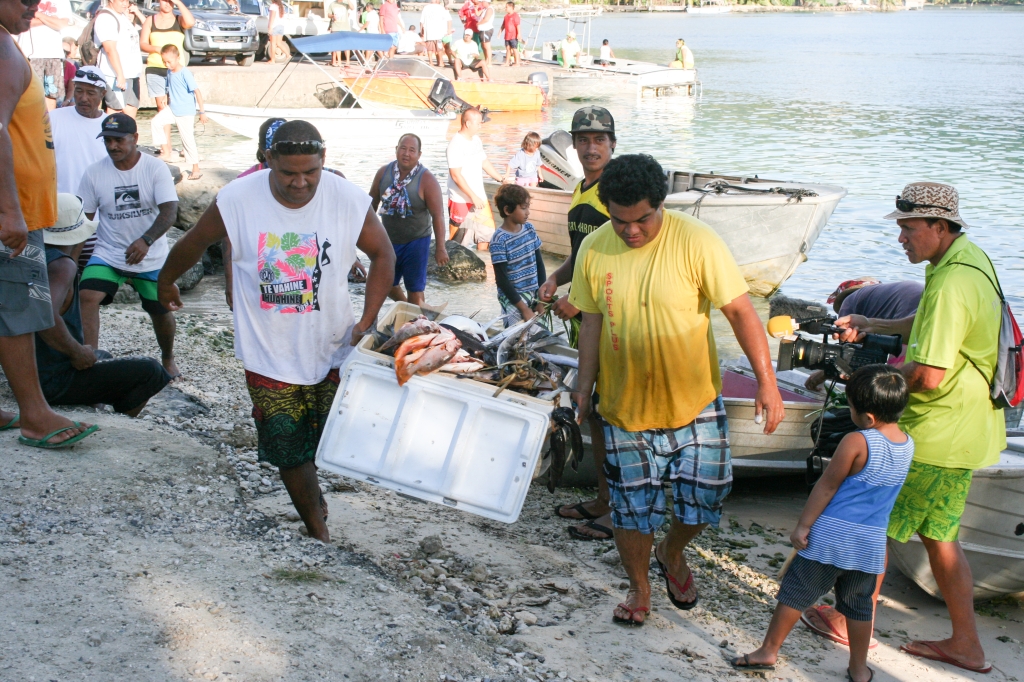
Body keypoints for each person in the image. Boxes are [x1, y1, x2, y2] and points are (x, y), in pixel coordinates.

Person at [568, 153, 785, 625]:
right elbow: (591, 322)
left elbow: (742, 314)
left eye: (641, 219)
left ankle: (672, 550)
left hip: (695, 402)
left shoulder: (698, 241)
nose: (630, 231)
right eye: (619, 220)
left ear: (659, 204)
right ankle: (639, 588)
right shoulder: (595, 249)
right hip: (625, 406)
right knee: (630, 512)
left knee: (706, 499)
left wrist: (768, 384)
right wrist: (583, 388)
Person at [156, 120, 396, 544]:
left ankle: (313, 494)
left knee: (325, 440)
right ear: (268, 161)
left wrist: (367, 320)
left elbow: (383, 254)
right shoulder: (237, 198)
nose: (300, 183)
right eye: (288, 173)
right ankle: (317, 529)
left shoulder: (347, 198)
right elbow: (194, 241)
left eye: (311, 172)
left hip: (333, 347)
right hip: (268, 352)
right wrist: (166, 280)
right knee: (288, 444)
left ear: (324, 162)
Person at [817, 182, 1005, 674]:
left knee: (872, 522)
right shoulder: (970, 262)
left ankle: (847, 621)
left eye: (908, 227)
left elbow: (926, 375)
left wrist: (866, 381)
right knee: (940, 537)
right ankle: (968, 645)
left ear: (939, 227)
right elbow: (925, 322)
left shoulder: (949, 283)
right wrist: (869, 323)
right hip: (968, 429)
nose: (900, 237)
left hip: (935, 432)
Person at [732, 364, 912, 682]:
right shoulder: (907, 444)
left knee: (796, 593)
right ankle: (858, 668)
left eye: (852, 407)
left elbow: (827, 485)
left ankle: (768, 650)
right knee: (858, 606)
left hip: (832, 537)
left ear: (867, 417)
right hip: (870, 544)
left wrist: (803, 526)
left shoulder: (857, 441)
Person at [0, 0, 98, 449]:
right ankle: (35, 415)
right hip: (12, 208)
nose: (34, 8)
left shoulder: (9, 45)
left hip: (20, 205)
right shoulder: (2, 50)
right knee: (17, 309)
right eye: (24, 0)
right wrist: (9, 210)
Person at [539, 106, 616, 541]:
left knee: (612, 417)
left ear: (612, 145)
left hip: (607, 322)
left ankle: (615, 513)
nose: (590, 147)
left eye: (599, 140)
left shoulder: (614, 192)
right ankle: (603, 500)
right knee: (594, 414)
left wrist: (580, 300)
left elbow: (618, 263)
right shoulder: (580, 189)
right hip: (584, 322)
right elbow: (583, 254)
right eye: (583, 140)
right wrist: (556, 278)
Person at [37, 194, 172, 416]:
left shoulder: (34, 258)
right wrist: (76, 351)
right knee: (152, 371)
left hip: (31, 372)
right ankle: (121, 419)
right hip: (53, 380)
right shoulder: (62, 266)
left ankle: (98, 405)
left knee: (103, 356)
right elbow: (45, 315)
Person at [78, 113, 180, 379]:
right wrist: (67, 261)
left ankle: (168, 358)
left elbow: (169, 212)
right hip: (109, 253)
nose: (113, 146)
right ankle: (92, 359)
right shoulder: (94, 173)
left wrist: (146, 240)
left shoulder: (155, 168)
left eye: (119, 140)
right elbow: (83, 221)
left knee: (161, 312)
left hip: (151, 257)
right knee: (87, 295)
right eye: (108, 141)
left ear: (135, 138)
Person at [368, 133, 448, 307]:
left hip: (417, 241)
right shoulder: (383, 173)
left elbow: (438, 216)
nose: (406, 153)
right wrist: (365, 236)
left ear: (419, 155)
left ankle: (418, 322)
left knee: (415, 288)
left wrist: (441, 248)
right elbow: (370, 205)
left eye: (412, 150)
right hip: (388, 240)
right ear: (396, 150)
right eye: (403, 148)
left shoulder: (427, 180)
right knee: (386, 284)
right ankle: (408, 307)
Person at [804, 278, 925, 392]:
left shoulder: (849, 300)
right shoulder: (881, 297)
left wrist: (823, 374)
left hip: (908, 313)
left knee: (892, 384)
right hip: (924, 307)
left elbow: (847, 355)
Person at [140, 0, 194, 150]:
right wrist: (157, 49)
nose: (167, 3)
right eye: (165, 0)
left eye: (171, 1)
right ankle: (166, 148)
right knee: (162, 108)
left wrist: (179, 3)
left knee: (181, 107)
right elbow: (143, 43)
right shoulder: (151, 20)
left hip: (176, 70)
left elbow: (190, 22)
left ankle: (187, 147)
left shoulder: (179, 19)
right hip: (156, 68)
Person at [150, 45, 208, 181]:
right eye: (164, 62)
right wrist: (165, 96)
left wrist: (202, 111)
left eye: (169, 61)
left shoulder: (184, 73)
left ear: (178, 58)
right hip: (173, 108)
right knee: (156, 122)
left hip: (185, 112)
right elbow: (169, 86)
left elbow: (197, 91)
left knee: (187, 140)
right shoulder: (169, 72)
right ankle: (166, 151)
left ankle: (196, 168)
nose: (167, 64)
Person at [446, 107, 501, 249]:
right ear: (468, 124)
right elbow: (456, 176)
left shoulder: (476, 140)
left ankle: (483, 267)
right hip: (461, 200)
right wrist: (473, 197)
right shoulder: (455, 144)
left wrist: (500, 178)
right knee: (457, 245)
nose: (480, 126)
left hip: (480, 199)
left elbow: (484, 162)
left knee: (487, 237)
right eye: (478, 123)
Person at [491, 183, 544, 326]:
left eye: (528, 207)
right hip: (513, 300)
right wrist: (524, 308)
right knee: (517, 340)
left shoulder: (529, 229)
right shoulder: (499, 240)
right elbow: (502, 279)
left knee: (540, 336)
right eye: (523, 208)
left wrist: (541, 300)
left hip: (534, 294)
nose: (528, 212)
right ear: (507, 210)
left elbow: (539, 264)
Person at [50, 66, 109, 195]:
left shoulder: (111, 125)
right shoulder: (54, 118)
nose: (83, 98)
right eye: (79, 91)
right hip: (61, 206)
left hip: (99, 209)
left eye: (90, 93)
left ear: (102, 94)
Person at [13, 0, 73, 111]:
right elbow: (22, 21)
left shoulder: (63, 2)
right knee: (29, 94)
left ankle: (48, 124)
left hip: (53, 54)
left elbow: (61, 24)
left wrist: (38, 15)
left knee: (51, 94)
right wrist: (52, 19)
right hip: (29, 54)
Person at [94, 0, 145, 118]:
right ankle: (109, 135)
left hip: (132, 73)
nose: (125, 4)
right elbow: (110, 49)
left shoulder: (123, 16)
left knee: (131, 108)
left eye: (126, 1)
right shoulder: (106, 17)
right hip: (114, 74)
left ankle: (129, 135)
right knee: (115, 109)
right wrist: (120, 74)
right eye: (121, 0)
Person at [420, 0, 450, 68]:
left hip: (429, 32)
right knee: (439, 48)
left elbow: (422, 21)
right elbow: (446, 19)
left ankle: (431, 62)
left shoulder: (426, 8)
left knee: (429, 48)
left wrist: (421, 30)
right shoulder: (441, 8)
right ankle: (441, 62)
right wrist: (447, 30)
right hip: (438, 32)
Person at [327, 0, 351, 67]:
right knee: (337, 45)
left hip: (345, 27)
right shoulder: (332, 4)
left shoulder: (345, 3)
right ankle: (339, 62)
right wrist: (332, 16)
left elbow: (352, 7)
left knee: (346, 46)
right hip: (335, 27)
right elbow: (328, 15)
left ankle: (348, 62)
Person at [501, 1, 519, 66]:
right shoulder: (506, 16)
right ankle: (507, 62)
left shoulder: (515, 15)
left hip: (513, 35)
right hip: (507, 35)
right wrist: (500, 32)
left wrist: (519, 34)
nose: (505, 8)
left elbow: (518, 25)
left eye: (506, 7)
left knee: (514, 49)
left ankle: (517, 63)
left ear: (511, 7)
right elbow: (503, 25)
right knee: (508, 49)